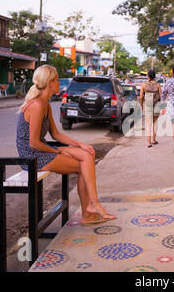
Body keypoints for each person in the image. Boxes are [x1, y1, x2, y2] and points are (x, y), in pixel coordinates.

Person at [16, 65, 115, 226]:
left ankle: (92, 206)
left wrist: (80, 144)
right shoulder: (37, 105)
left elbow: (56, 134)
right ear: (49, 83)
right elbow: (33, 143)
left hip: (41, 150)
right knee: (83, 166)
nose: (59, 84)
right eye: (56, 80)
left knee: (87, 155)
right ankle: (90, 209)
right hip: (31, 156)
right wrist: (58, 152)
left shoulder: (45, 104)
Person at [140, 69, 161, 147]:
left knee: (148, 124)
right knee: (155, 123)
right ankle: (154, 140)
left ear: (148, 76)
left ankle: (149, 143)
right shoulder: (158, 85)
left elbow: (141, 97)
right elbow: (161, 97)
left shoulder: (144, 85)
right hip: (156, 105)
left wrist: (141, 105)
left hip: (148, 105)